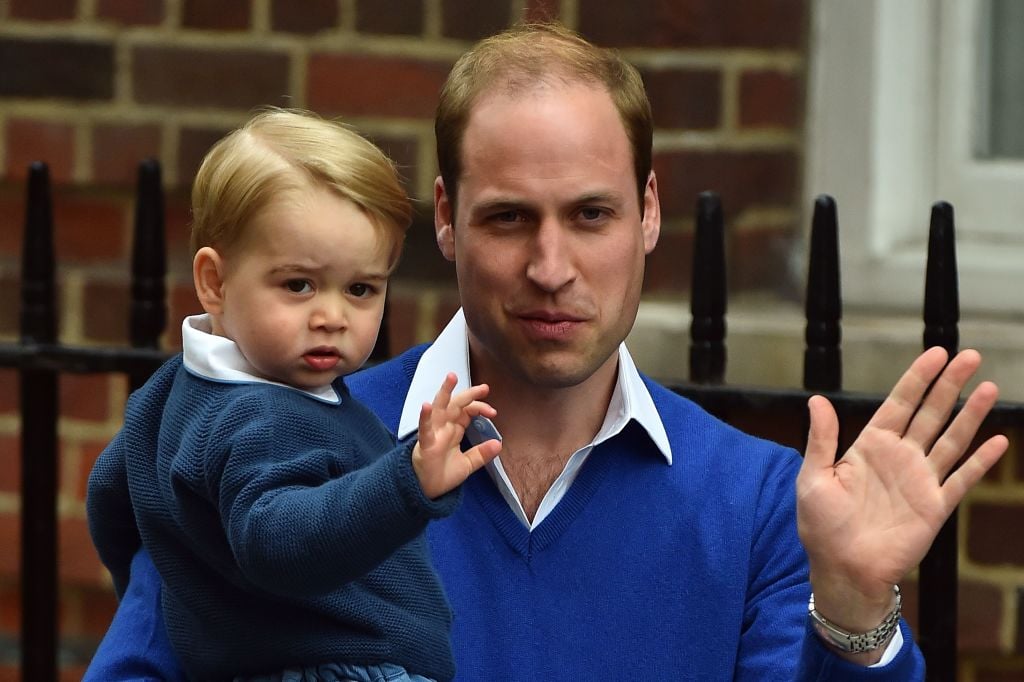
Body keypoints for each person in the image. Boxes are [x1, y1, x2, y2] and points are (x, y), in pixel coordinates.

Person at [85, 24, 1008, 681]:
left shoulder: (759, 504)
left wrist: (851, 613)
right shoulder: (278, 440)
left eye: (591, 214)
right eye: (509, 217)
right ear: (446, 219)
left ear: (649, 211)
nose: (551, 267)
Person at [86, 109, 502, 682]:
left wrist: (185, 579)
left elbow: (111, 491)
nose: (330, 316)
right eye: (298, 284)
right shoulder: (260, 415)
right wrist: (407, 484)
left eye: (360, 289)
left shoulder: (174, 389)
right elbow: (280, 541)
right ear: (215, 281)